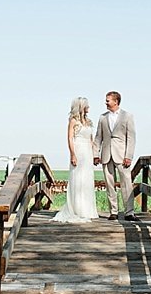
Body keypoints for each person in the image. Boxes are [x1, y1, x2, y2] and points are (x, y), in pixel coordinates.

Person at [52, 97, 99, 223]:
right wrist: (73, 154)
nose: (89, 107)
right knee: (78, 179)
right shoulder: (73, 121)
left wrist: (94, 154)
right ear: (81, 106)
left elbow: (91, 139)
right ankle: (77, 209)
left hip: (87, 153)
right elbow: (70, 138)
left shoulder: (88, 121)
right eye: (87, 105)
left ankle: (88, 210)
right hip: (78, 150)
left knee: (87, 180)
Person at [93, 91, 138, 221]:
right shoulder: (102, 117)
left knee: (126, 184)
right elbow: (98, 137)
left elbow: (131, 138)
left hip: (122, 156)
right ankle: (113, 211)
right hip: (106, 155)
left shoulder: (127, 116)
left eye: (108, 100)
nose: (105, 102)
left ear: (116, 101)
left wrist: (128, 156)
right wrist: (96, 154)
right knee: (109, 184)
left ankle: (129, 212)